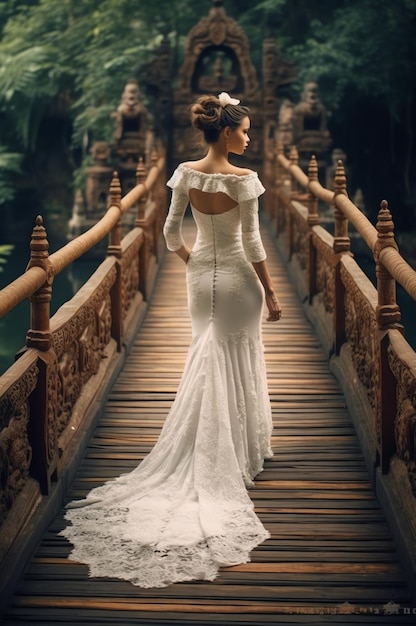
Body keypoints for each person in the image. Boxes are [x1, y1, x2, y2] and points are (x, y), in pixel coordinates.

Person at [59, 92, 282, 588]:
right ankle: (238, 452)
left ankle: (219, 446)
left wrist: (194, 262)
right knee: (235, 354)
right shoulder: (245, 180)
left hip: (200, 277)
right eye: (244, 130)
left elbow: (168, 233)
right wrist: (270, 290)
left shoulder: (183, 171)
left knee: (207, 353)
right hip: (239, 280)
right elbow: (251, 244)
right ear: (226, 132)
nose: (249, 137)